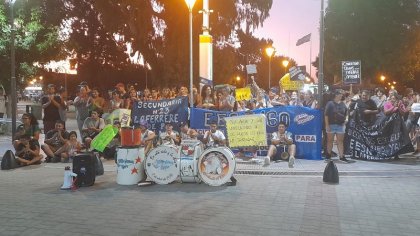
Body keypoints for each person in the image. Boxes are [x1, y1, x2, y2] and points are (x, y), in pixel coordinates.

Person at [202, 120, 237, 186]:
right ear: (210, 127)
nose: (213, 128)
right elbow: (204, 142)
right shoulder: (207, 132)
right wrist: (207, 136)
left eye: (214, 126)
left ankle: (232, 179)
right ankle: (209, 178)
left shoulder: (219, 133)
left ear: (216, 127)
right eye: (211, 126)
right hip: (209, 152)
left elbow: (224, 142)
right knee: (205, 164)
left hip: (218, 152)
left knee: (223, 165)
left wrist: (216, 139)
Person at [324, 89, 350, 162]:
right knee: (330, 141)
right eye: (340, 94)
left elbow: (346, 113)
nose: (341, 95)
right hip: (331, 124)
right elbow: (326, 115)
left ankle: (341, 156)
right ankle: (328, 155)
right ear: (336, 95)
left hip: (340, 125)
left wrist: (346, 119)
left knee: (340, 141)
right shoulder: (330, 103)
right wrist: (327, 125)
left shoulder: (342, 104)